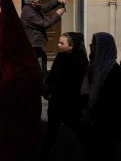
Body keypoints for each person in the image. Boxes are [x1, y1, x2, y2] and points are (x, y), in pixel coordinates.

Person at [0, 0, 43, 161]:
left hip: (14, 130)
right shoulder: (31, 64)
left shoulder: (13, 71)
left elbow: (0, 97)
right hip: (30, 130)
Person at [40, 32, 88, 160]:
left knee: (77, 128)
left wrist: (51, 88)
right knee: (52, 131)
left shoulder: (78, 60)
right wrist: (47, 87)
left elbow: (71, 83)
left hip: (70, 102)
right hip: (56, 101)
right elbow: (53, 75)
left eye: (62, 43)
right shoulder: (61, 56)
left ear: (71, 46)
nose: (58, 45)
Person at [80, 32, 121, 160]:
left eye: (94, 44)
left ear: (103, 47)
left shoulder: (114, 71)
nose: (90, 45)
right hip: (92, 121)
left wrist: (93, 112)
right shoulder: (93, 67)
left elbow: (113, 103)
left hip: (106, 124)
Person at [20, 0, 66, 79]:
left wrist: (57, 1)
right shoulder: (29, 12)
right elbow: (44, 24)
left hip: (36, 44)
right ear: (31, 1)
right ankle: (39, 88)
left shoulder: (33, 7)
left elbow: (44, 7)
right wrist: (57, 14)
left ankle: (42, 85)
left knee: (42, 66)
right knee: (38, 69)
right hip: (33, 46)